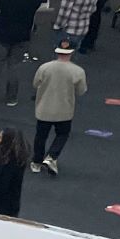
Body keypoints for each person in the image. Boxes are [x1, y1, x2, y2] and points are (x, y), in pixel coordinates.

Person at [32, 39, 87, 174]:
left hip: (44, 107)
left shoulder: (44, 67)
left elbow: (35, 84)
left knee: (40, 136)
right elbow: (81, 91)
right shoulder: (78, 71)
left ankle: (36, 162)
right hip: (64, 110)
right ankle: (52, 156)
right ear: (72, 52)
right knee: (62, 134)